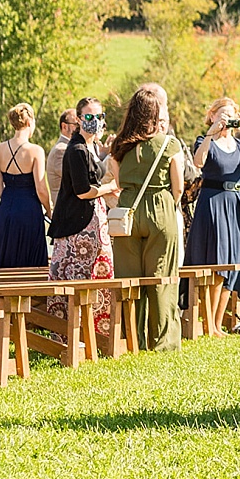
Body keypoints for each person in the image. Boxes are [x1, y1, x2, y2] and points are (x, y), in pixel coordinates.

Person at [108, 88, 186, 352]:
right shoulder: (169, 144)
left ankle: (133, 339)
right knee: (162, 278)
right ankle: (164, 341)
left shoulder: (120, 144)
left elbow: (117, 182)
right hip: (160, 208)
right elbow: (178, 187)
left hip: (127, 211)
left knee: (129, 280)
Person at [187, 97, 240, 333]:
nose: (225, 120)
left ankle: (216, 324)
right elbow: (198, 162)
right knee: (217, 264)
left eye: (230, 116)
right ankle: (209, 324)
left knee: (233, 265)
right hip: (213, 204)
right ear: (212, 116)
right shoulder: (205, 141)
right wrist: (211, 134)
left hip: (236, 204)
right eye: (221, 115)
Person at [46, 98, 119, 336]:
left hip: (91, 221)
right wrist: (111, 188)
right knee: (78, 281)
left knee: (96, 277)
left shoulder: (90, 147)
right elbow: (83, 191)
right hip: (77, 227)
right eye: (89, 117)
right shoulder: (76, 149)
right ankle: (72, 335)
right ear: (78, 119)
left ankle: (95, 334)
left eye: (99, 117)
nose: (95, 122)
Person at [0, 103, 52, 269]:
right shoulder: (35, 150)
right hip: (29, 209)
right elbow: (41, 188)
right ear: (30, 121)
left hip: (7, 207)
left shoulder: (0, 149)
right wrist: (49, 210)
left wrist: (8, 198)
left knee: (6, 256)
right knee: (30, 260)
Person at [46, 109, 79, 209]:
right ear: (64, 126)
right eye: (76, 124)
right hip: (67, 211)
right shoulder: (61, 150)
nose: (81, 128)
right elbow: (78, 179)